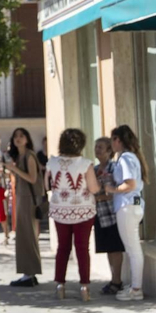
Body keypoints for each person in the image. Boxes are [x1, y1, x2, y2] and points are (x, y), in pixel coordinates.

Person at [46, 128, 101, 302]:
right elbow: (93, 188)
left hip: (59, 210)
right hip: (83, 210)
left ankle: (60, 286)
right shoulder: (85, 164)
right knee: (82, 248)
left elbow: (46, 185)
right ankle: (84, 287)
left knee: (63, 248)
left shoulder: (51, 163)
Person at [107, 126, 147, 302]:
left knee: (133, 249)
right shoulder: (130, 158)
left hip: (127, 206)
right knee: (133, 249)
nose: (111, 143)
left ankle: (136, 289)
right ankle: (135, 287)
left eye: (112, 139)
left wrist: (111, 189)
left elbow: (129, 184)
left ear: (118, 140)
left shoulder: (125, 158)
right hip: (133, 205)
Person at [5, 127, 43, 287]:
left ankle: (30, 273)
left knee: (28, 236)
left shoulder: (29, 156)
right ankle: (28, 273)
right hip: (21, 197)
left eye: (21, 136)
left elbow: (32, 178)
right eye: (15, 136)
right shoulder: (20, 156)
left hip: (28, 199)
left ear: (27, 139)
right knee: (22, 236)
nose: (18, 139)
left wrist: (14, 169)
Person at [91, 138, 125, 295]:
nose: (97, 150)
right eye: (96, 147)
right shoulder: (95, 169)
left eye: (101, 147)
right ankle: (113, 280)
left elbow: (119, 190)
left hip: (113, 214)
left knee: (116, 248)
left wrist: (102, 197)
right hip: (100, 215)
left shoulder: (115, 168)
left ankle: (117, 281)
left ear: (109, 151)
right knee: (108, 249)